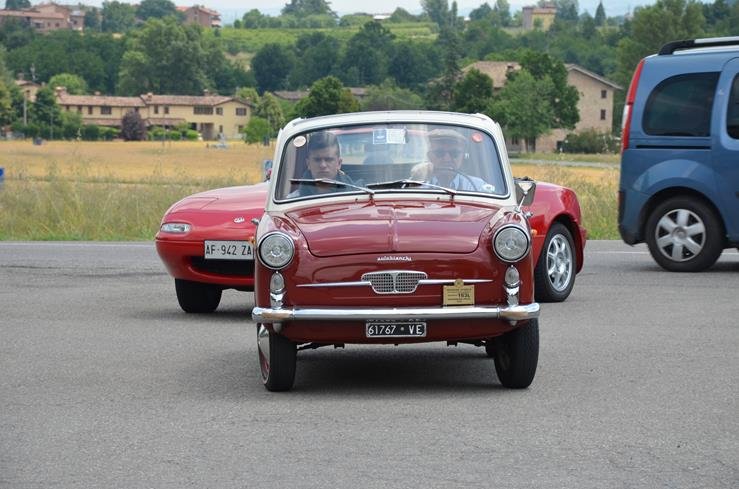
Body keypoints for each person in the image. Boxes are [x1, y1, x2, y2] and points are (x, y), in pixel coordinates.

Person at [411, 128, 490, 192]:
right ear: (430, 156)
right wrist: (417, 179)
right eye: (440, 153)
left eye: (454, 153)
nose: (447, 159)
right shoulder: (418, 184)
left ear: (463, 157)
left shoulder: (476, 187)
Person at [288, 131, 355, 198]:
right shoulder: (293, 201)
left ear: (339, 163)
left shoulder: (355, 196)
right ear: (308, 164)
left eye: (328, 159)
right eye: (317, 160)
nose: (323, 165)